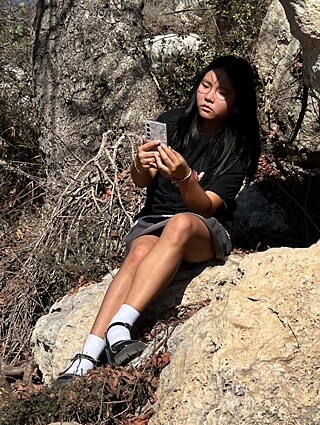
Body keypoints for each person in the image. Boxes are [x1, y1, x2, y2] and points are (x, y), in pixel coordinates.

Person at [54, 55, 260, 385]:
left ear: (236, 105)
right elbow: (142, 180)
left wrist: (184, 178)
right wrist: (138, 162)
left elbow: (206, 207)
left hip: (201, 231)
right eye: (205, 86)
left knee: (181, 222)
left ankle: (121, 325)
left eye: (222, 92)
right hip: (153, 223)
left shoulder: (237, 147)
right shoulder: (173, 123)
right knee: (137, 253)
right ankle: (87, 354)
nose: (208, 96)